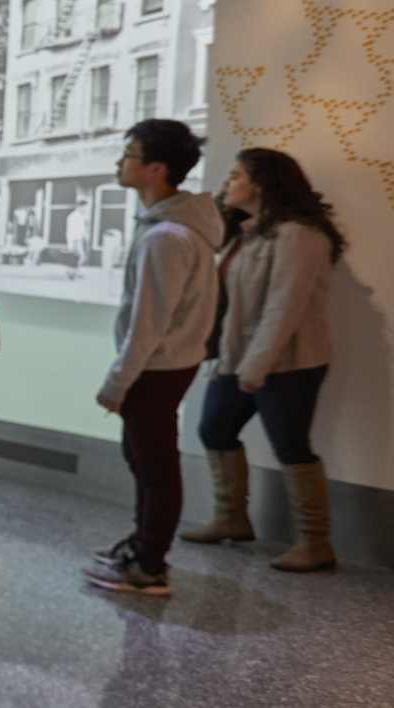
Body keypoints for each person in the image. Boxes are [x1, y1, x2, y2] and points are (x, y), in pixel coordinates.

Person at [186, 147, 345, 573]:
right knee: (214, 429)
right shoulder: (246, 233)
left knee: (290, 444)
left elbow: (283, 308)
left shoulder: (299, 235)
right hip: (240, 358)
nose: (227, 182)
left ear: (260, 183)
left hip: (290, 362)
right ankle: (231, 518)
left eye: (235, 175)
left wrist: (256, 366)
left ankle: (315, 543)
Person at [83, 119, 222, 596]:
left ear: (157, 168)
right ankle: (142, 546)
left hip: (157, 367)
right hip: (166, 365)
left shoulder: (167, 236)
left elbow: (149, 322)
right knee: (145, 459)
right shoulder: (173, 229)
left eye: (129, 155)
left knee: (155, 464)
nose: (120, 163)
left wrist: (117, 381)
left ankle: (148, 565)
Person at [66, 197, 92, 279]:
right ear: (80, 207)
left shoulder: (80, 216)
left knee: (77, 257)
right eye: (84, 207)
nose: (85, 209)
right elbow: (70, 231)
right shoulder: (73, 216)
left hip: (79, 239)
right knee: (81, 257)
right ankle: (72, 272)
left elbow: (81, 229)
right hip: (75, 240)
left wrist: (84, 236)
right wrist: (70, 244)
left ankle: (72, 272)